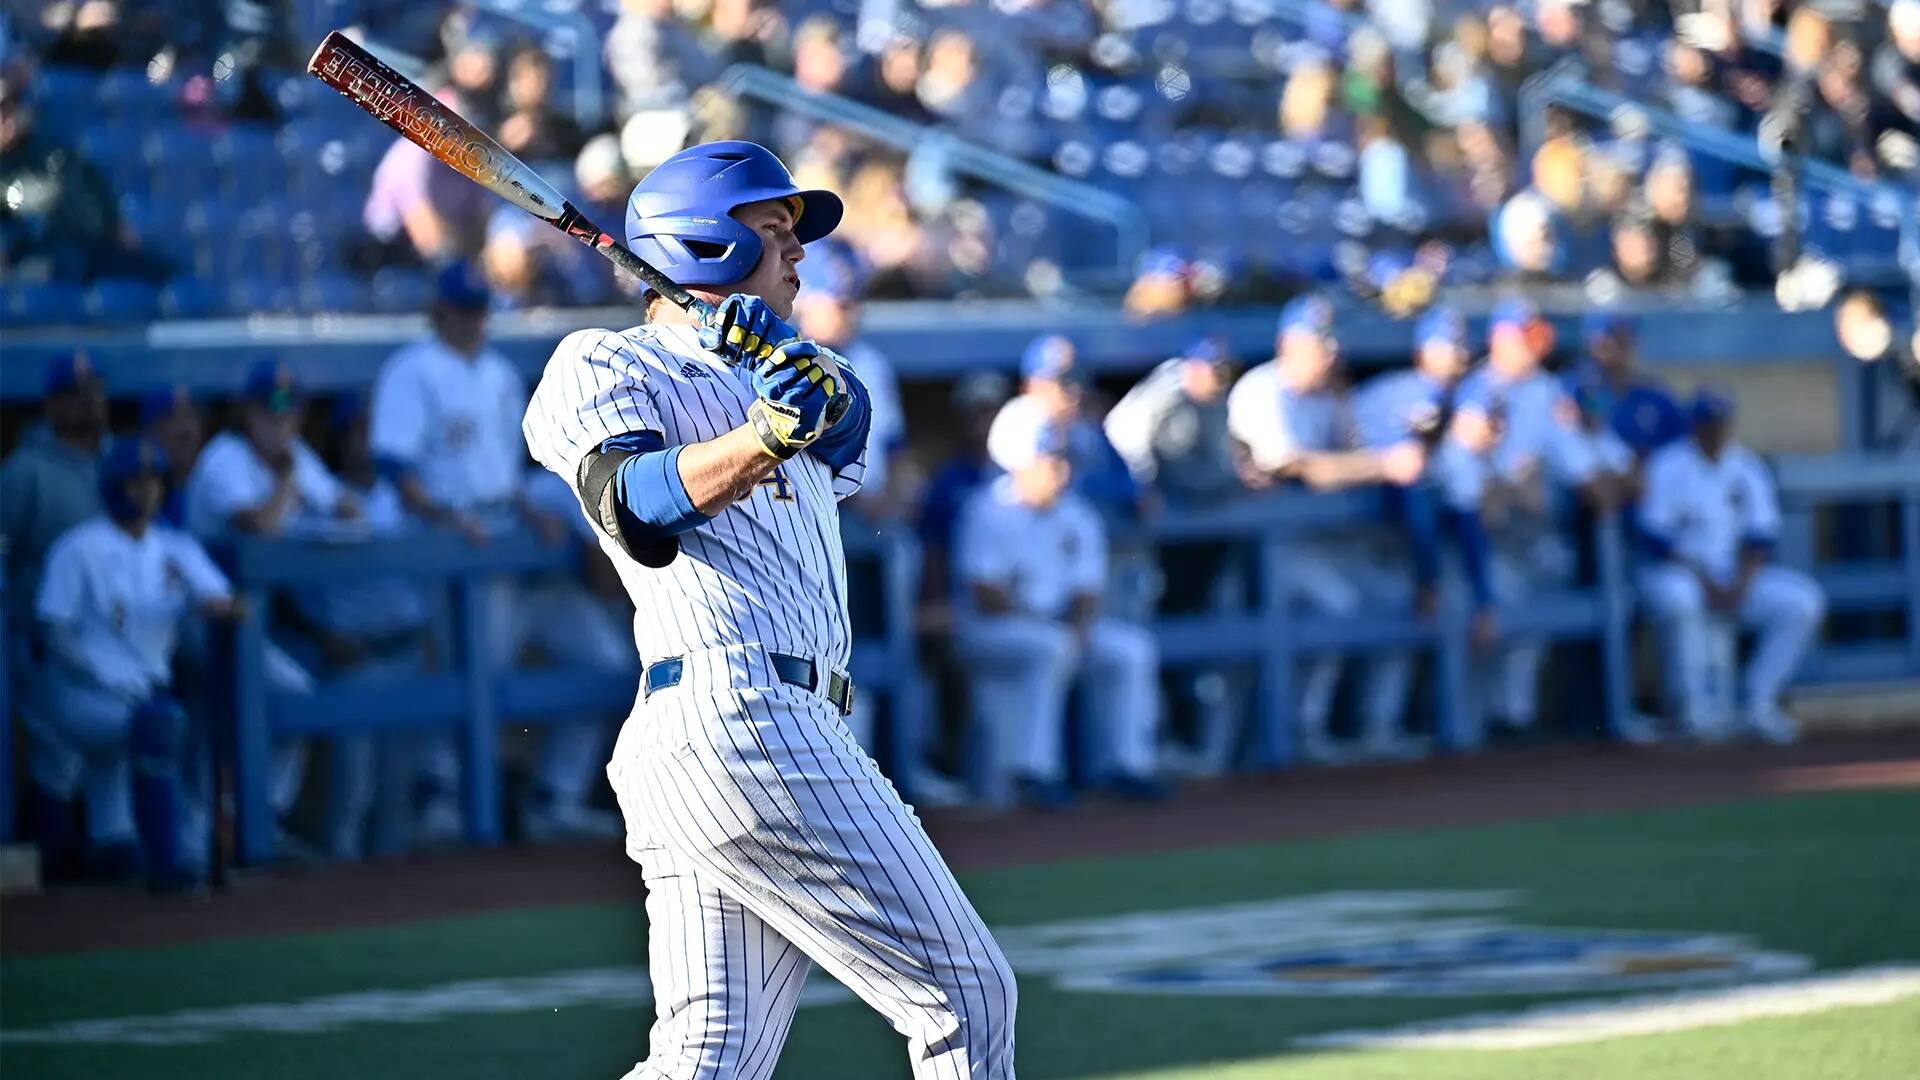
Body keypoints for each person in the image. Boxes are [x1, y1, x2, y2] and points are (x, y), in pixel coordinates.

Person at [521, 140, 1015, 1077]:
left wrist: (787, 377)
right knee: (967, 995)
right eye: (775, 229)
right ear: (704, 241)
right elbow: (630, 505)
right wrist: (761, 435)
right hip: (739, 715)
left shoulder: (787, 368)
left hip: (763, 723)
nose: (799, 250)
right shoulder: (604, 359)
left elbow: (845, 428)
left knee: (712, 1056)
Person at [371, 261, 621, 842]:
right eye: (462, 309)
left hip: (509, 536)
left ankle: (552, 795)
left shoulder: (500, 373)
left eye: (479, 309)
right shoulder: (412, 368)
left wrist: (530, 510)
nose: (472, 320)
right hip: (450, 545)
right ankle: (439, 796)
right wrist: (445, 517)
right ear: (438, 311)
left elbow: (509, 474)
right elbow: (393, 467)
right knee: (469, 671)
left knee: (604, 662)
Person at [30, 438, 238, 887]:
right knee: (158, 725)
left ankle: (117, 847)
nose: (146, 491)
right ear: (113, 486)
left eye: (153, 482)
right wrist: (101, 673)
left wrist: (214, 605)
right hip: (80, 692)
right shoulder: (79, 545)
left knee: (151, 737)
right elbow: (52, 628)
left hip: (145, 689)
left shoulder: (174, 546)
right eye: (134, 482)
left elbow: (223, 601)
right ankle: (168, 865)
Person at [1227, 296, 1422, 762]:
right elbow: (1299, 468)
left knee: (1396, 598)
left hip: (1319, 543)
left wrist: (1344, 404)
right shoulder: (1262, 389)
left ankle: (1378, 726)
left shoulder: (1327, 396)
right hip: (1257, 549)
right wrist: (1382, 465)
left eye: (1331, 344)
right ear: (1287, 344)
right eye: (1318, 343)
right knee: (1336, 606)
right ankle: (1299, 730)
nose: (1329, 353)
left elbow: (1348, 451)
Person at [953, 419, 1163, 807]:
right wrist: (1054, 626)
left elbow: (1087, 586)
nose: (1061, 472)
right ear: (1022, 464)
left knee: (1130, 650)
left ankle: (1127, 766)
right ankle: (1034, 771)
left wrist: (1078, 624)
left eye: (1061, 461)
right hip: (992, 628)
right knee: (1052, 648)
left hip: (1059, 625)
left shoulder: (1076, 512)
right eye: (1050, 462)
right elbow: (984, 593)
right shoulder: (989, 509)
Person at [1449, 297, 1605, 742]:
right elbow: (1468, 485)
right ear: (1499, 338)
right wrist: (1511, 486)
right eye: (1523, 337)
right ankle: (1466, 729)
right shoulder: (1474, 389)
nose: (1532, 348)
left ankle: (1514, 717)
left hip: (1533, 535)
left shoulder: (1548, 391)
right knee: (1483, 624)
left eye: (1536, 339)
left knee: (1535, 618)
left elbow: (1580, 468)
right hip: (1477, 542)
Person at [1638, 390, 1825, 743]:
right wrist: (1707, 582)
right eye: (1708, 423)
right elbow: (1656, 540)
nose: (1715, 430)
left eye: (1720, 423)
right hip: (1681, 572)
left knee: (1802, 601)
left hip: (1734, 577)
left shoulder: (1745, 465)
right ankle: (1694, 712)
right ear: (1694, 426)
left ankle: (1758, 702)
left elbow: (1761, 537)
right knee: (1680, 600)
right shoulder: (1669, 464)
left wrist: (1740, 583)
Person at [791, 240, 907, 518]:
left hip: (872, 510)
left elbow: (893, 443)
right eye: (839, 305)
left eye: (852, 304)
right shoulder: (785, 360)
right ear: (807, 302)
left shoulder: (872, 363)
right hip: (809, 509)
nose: (849, 314)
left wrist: (892, 499)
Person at [3, 353, 107, 633]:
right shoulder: (25, 471)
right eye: (75, 391)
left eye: (95, 388)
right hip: (46, 635)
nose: (88, 399)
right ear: (51, 403)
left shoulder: (119, 461)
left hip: (116, 633)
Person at [988, 334, 1138, 524]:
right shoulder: (1020, 419)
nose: (1074, 389)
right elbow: (1038, 487)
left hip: (1059, 519)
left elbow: (1116, 478)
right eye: (1062, 381)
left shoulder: (1081, 425)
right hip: (1009, 517)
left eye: (1077, 379)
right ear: (1032, 383)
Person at [137, 384, 203, 529]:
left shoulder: (211, 481)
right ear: (150, 431)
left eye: (191, 417)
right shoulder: (136, 494)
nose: (187, 429)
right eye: (173, 419)